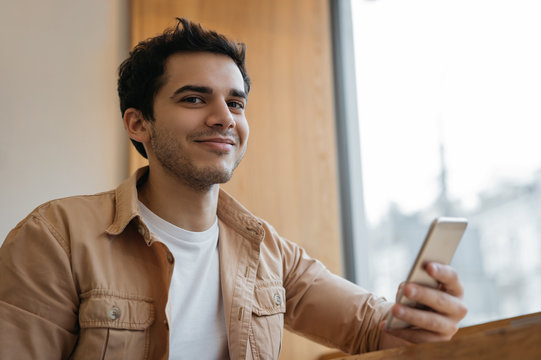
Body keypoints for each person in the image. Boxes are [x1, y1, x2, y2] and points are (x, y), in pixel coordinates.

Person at [0, 18, 467, 360]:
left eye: (236, 101)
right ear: (138, 123)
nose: (225, 116)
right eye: (195, 98)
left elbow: (374, 330)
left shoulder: (268, 252)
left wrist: (422, 316)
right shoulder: (57, 236)